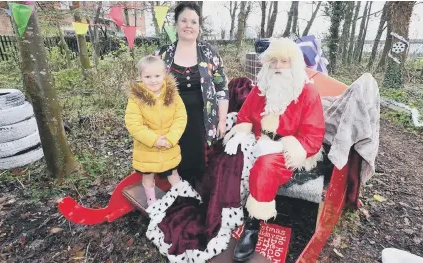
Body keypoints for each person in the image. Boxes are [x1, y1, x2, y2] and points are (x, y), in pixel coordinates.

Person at [223, 37, 326, 261]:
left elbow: (313, 136)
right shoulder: (262, 87)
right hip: (259, 139)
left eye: (284, 61)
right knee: (229, 156)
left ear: (295, 64)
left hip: (290, 147)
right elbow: (245, 115)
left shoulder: (307, 92)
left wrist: (278, 146)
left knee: (265, 166)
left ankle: (252, 224)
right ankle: (225, 209)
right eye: (274, 62)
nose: (278, 67)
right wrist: (240, 133)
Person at [155, 1, 229, 188]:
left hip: (202, 120)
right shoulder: (163, 54)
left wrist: (221, 121)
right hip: (170, 120)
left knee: (198, 165)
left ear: (199, 27)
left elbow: (222, 89)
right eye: (184, 21)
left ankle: (197, 193)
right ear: (176, 24)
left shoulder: (209, 53)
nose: (189, 25)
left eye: (194, 22)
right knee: (174, 162)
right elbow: (150, 86)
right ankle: (176, 191)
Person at [124, 55, 187, 205]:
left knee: (173, 173)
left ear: (164, 75)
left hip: (168, 145)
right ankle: (151, 201)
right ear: (140, 77)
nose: (153, 80)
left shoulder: (173, 95)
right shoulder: (136, 98)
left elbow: (181, 118)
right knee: (148, 176)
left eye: (157, 76)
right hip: (147, 148)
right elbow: (133, 123)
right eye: (147, 76)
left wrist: (171, 138)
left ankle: (182, 199)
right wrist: (153, 140)